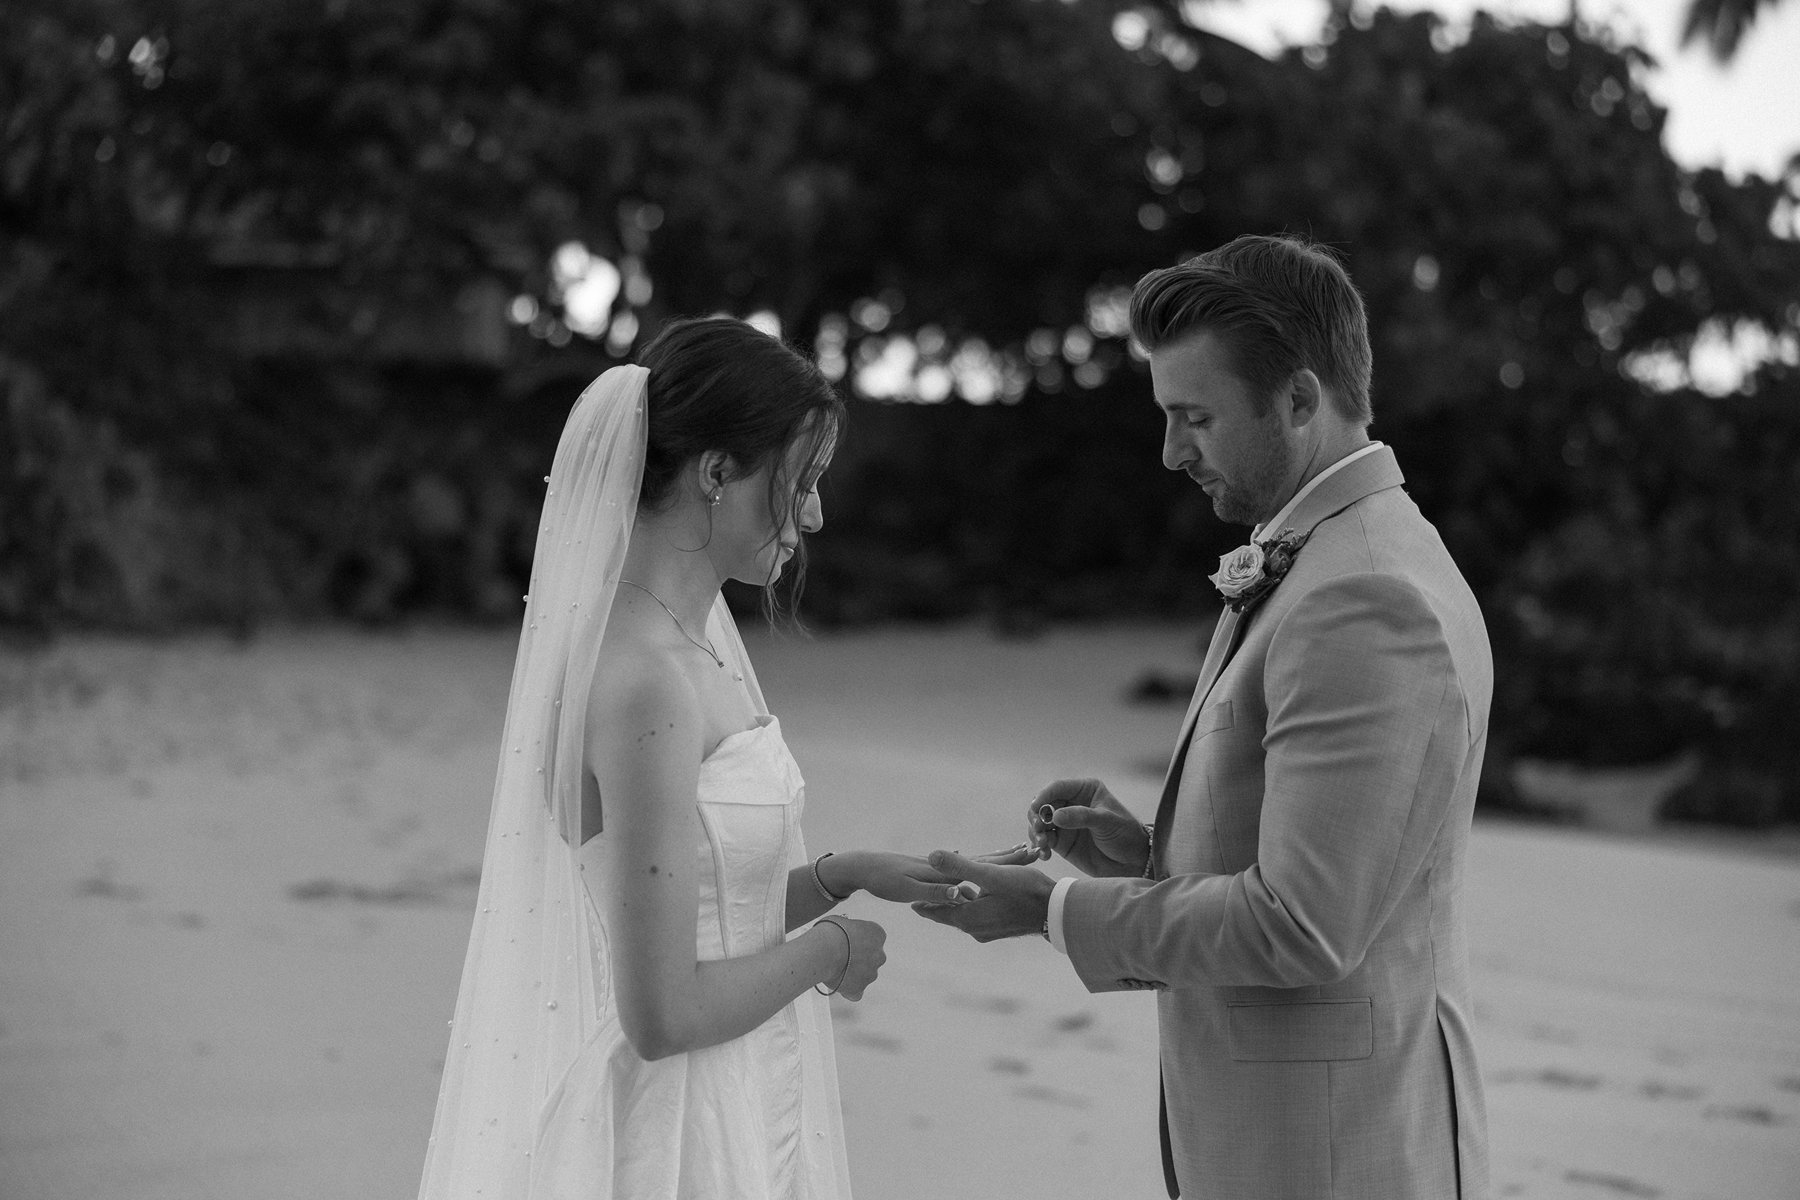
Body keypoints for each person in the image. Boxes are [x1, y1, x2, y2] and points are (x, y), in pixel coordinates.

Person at [917, 235, 1493, 1199]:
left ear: (1300, 400)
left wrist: (1049, 912)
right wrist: (1152, 858)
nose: (1171, 452)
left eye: (1196, 418)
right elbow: (1325, 868)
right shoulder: (1334, 553)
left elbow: (1304, 925)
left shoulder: (1364, 597)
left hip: (1335, 1155)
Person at [417, 316, 973, 1200]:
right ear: (716, 472)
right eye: (802, 481)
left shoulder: (686, 651)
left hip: (736, 1094)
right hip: (678, 1136)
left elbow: (702, 908)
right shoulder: (646, 682)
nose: (816, 515)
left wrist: (846, 875)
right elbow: (662, 1011)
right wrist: (829, 952)